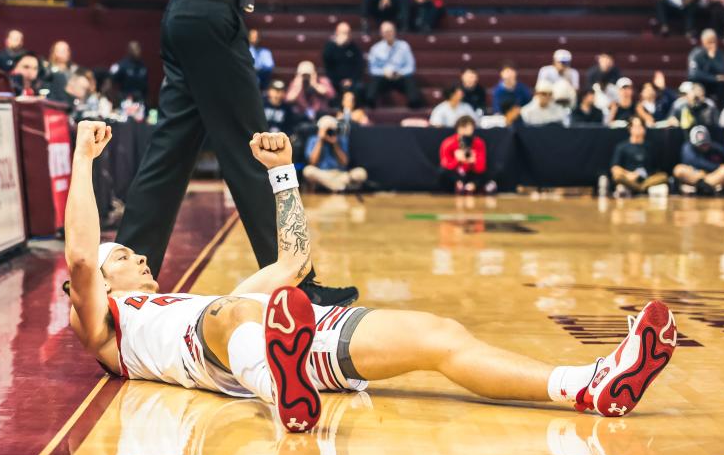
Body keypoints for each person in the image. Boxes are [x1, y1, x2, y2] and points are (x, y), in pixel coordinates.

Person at [65, 121, 679, 436]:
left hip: (292, 339)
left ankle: (588, 385)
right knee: (235, 314)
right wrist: (83, 160)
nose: (140, 259)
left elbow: (292, 263)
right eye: (127, 257)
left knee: (439, 336)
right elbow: (82, 260)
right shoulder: (110, 327)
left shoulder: (194, 298)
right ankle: (284, 396)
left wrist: (283, 175)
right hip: (228, 348)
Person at [114, 0, 357, 309]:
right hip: (211, 15)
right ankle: (297, 285)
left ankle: (119, 285)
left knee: (167, 158)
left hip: (184, 14)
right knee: (256, 152)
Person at [673, 125, 724, 195]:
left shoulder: (716, 147)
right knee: (679, 169)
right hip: (696, 175)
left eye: (705, 144)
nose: (704, 147)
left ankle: (700, 189)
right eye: (700, 145)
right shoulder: (687, 147)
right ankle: (708, 188)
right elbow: (694, 162)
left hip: (713, 176)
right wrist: (717, 167)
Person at [365, 22, 423, 109]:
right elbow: (372, 69)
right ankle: (370, 104)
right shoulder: (375, 48)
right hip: (383, 77)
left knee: (410, 79)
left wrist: (400, 73)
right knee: (374, 81)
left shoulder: (404, 46)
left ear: (395, 32)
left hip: (400, 77)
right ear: (381, 33)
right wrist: (383, 72)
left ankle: (414, 104)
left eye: (390, 31)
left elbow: (411, 67)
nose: (388, 34)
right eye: (385, 32)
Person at [304, 116, 368, 193]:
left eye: (331, 130)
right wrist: (320, 140)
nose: (329, 132)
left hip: (341, 175)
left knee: (361, 173)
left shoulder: (341, 139)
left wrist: (335, 144)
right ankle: (339, 187)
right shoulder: (313, 140)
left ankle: (332, 186)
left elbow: (344, 162)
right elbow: (312, 162)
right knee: (308, 171)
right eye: (327, 130)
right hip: (322, 174)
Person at [610, 116, 669, 196]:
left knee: (663, 176)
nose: (637, 129)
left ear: (644, 129)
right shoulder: (622, 147)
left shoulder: (650, 147)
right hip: (629, 179)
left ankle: (639, 189)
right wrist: (629, 174)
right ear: (630, 129)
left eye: (640, 126)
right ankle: (642, 189)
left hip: (647, 180)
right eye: (635, 127)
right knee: (617, 176)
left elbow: (657, 169)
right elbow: (615, 168)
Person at [439, 115, 494, 193]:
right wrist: (457, 160)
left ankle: (474, 185)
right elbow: (445, 165)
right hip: (456, 174)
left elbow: (481, 168)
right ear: (457, 129)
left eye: (469, 129)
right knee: (442, 172)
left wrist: (474, 161)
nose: (465, 132)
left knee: (489, 170)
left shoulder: (479, 143)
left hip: (472, 173)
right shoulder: (448, 143)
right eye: (463, 128)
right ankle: (458, 185)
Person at [322, 21, 364, 102]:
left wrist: (351, 80)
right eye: (343, 33)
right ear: (337, 33)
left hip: (351, 81)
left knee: (359, 88)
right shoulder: (330, 46)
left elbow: (359, 66)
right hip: (334, 80)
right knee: (327, 86)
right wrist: (337, 45)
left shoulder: (354, 47)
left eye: (347, 33)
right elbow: (327, 62)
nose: (346, 35)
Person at [688, 28, 724, 106]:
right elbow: (693, 74)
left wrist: (712, 59)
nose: (712, 44)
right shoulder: (696, 53)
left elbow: (722, 71)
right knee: (696, 84)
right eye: (709, 42)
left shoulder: (720, 54)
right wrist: (714, 78)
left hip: (714, 85)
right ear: (703, 41)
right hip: (700, 82)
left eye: (714, 41)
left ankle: (720, 110)